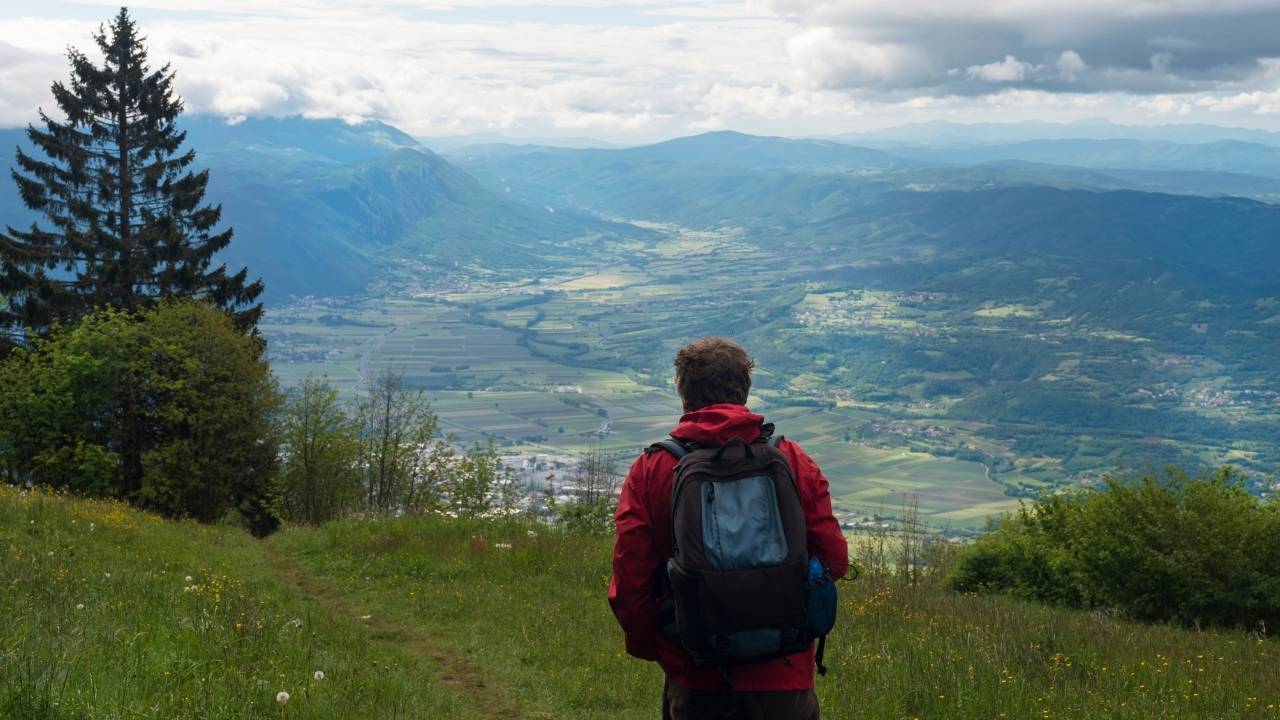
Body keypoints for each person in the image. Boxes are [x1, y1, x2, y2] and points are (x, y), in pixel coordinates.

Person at [608, 337, 849, 720]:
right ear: (744, 391)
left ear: (683, 392)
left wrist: (662, 648)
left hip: (694, 674)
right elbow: (834, 561)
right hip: (783, 677)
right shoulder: (791, 460)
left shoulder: (652, 469)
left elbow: (631, 577)